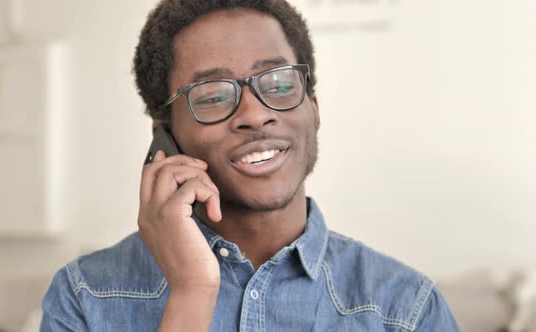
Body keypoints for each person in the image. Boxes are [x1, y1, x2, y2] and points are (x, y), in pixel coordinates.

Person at [41, 0, 460, 331]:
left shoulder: (406, 309)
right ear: (165, 137)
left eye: (277, 83)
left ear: (313, 109)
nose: (255, 115)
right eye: (212, 95)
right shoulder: (85, 297)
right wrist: (192, 292)